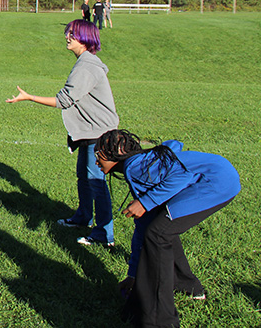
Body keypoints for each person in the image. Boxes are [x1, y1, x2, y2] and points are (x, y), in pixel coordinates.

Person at [94, 130, 240, 328]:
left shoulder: (136, 167)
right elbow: (143, 226)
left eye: (98, 155)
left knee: (158, 234)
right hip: (224, 176)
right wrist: (133, 274)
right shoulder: (137, 166)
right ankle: (189, 287)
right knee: (159, 230)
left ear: (117, 153)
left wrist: (146, 202)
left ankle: (160, 321)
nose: (96, 162)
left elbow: (181, 173)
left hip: (217, 182)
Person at [7, 19, 118, 246]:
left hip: (98, 134)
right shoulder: (85, 62)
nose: (67, 36)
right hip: (89, 132)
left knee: (96, 182)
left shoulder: (87, 66)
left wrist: (30, 97)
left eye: (73, 34)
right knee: (84, 178)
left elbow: (64, 101)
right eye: (67, 32)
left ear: (86, 39)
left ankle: (104, 234)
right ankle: (83, 217)